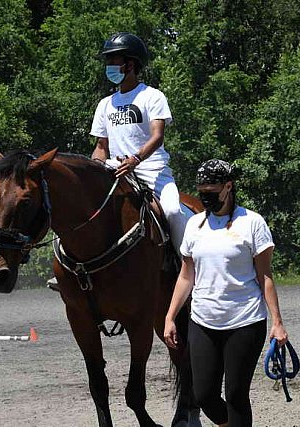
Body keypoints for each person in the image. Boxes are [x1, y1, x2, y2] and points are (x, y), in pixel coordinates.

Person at [163, 159, 288, 427]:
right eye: (201, 190)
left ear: (228, 187)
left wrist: (277, 323)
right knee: (204, 394)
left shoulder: (252, 223)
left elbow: (264, 276)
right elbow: (186, 275)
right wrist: (170, 316)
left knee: (235, 395)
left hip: (245, 321)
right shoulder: (194, 225)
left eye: (211, 190)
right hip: (203, 321)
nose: (205, 195)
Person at [90, 32, 188, 254]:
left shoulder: (152, 96)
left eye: (113, 60)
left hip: (152, 170)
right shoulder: (105, 104)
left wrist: (135, 159)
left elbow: (157, 136)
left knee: (173, 212)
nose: (109, 66)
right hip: (115, 170)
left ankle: (188, 269)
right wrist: (93, 170)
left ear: (130, 64)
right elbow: (101, 147)